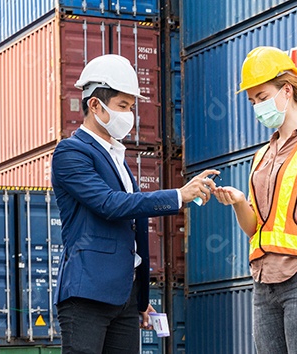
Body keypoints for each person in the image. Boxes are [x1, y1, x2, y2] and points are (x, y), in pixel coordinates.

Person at [51, 54, 219, 354]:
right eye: (123, 107)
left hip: (125, 297)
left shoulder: (118, 157)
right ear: (95, 105)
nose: (129, 115)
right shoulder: (70, 152)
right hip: (87, 294)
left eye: (131, 107)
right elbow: (110, 204)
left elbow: (134, 229)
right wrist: (179, 195)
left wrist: (140, 299)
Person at [212, 46, 297, 353]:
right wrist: (237, 202)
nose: (257, 107)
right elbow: (255, 229)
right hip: (264, 283)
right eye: (252, 101)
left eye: (262, 97)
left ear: (287, 91)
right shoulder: (262, 155)